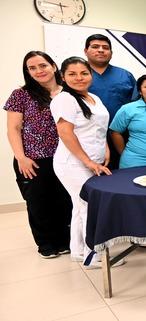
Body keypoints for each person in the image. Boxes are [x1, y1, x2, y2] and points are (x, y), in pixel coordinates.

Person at [50, 57, 122, 269]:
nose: (79, 78)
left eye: (84, 73)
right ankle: (92, 256)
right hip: (73, 163)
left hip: (94, 161)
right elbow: (65, 132)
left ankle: (78, 250)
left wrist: (105, 149)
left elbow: (98, 128)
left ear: (91, 75)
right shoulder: (65, 99)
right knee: (89, 207)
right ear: (62, 76)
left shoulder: (93, 98)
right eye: (72, 74)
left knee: (79, 206)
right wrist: (88, 161)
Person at [3, 51, 72, 259]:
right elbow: (13, 128)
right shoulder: (21, 95)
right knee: (38, 204)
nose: (38, 71)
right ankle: (45, 243)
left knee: (64, 202)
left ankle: (64, 241)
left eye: (42, 65)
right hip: (32, 159)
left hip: (64, 158)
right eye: (31, 68)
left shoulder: (68, 92)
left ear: (53, 66)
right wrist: (21, 157)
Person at [84, 33, 137, 169]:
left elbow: (136, 105)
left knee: (123, 177)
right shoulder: (76, 76)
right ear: (86, 51)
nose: (101, 50)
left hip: (122, 136)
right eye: (95, 47)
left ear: (111, 53)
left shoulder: (125, 75)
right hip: (88, 137)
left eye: (105, 48)